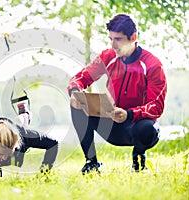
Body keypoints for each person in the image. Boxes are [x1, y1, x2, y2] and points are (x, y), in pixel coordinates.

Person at [67, 14, 167, 174]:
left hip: (136, 127)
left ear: (133, 37)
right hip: (112, 124)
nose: (113, 45)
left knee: (149, 130)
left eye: (118, 39)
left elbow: (156, 106)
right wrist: (75, 91)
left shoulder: (153, 65)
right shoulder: (108, 56)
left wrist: (129, 114)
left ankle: (138, 157)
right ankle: (91, 162)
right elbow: (82, 77)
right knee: (77, 105)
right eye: (111, 39)